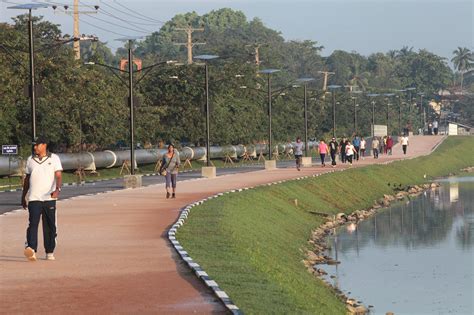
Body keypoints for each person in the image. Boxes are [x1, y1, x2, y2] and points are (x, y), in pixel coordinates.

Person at [21, 136, 63, 262]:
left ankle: (49, 251)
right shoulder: (30, 160)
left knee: (50, 226)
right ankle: (31, 248)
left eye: (37, 145)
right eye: (34, 145)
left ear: (44, 145)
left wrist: (57, 189)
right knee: (33, 224)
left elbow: (59, 176)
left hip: (49, 197)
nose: (35, 147)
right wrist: (23, 196)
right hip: (34, 197)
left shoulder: (54, 158)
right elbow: (27, 179)